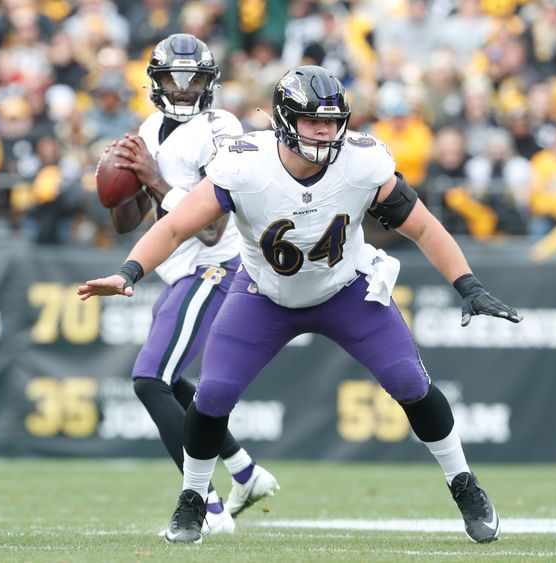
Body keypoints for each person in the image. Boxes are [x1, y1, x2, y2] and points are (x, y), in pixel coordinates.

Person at [80, 65, 521, 545]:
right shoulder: (244, 163)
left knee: (409, 382)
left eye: (332, 121)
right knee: (212, 396)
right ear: (286, 120)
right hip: (263, 295)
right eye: (313, 120)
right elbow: (174, 227)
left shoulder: (364, 161)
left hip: (344, 290)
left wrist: (468, 285)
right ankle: (191, 502)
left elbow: (423, 227)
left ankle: (464, 485)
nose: (324, 131)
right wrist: (128, 273)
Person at [102, 33, 279, 540]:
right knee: (174, 381)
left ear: (210, 83)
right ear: (155, 83)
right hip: (181, 271)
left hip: (216, 266)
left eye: (193, 79)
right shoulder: (149, 128)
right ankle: (245, 471)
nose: (182, 90)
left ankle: (205, 503)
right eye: (172, 80)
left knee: (149, 379)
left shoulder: (220, 126)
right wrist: (120, 181)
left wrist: (154, 177)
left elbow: (212, 226)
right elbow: (128, 222)